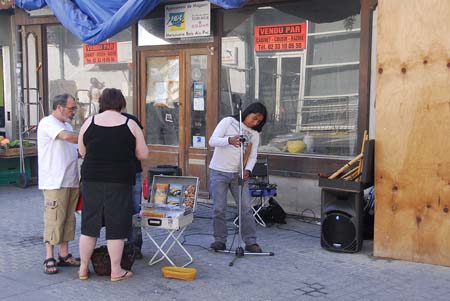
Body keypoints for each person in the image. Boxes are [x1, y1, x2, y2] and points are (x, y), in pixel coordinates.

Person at [77, 88, 148, 281]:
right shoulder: (130, 123)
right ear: (121, 103)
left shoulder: (89, 122)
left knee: (89, 225)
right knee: (116, 226)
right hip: (119, 180)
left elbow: (81, 151)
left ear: (101, 102)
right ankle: (116, 271)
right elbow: (143, 154)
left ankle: (83, 268)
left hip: (91, 179)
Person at [209, 102, 267, 253]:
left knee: (246, 208)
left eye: (258, 121)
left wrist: (248, 170)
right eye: (254, 118)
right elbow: (212, 141)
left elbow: (253, 156)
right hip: (219, 171)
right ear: (248, 113)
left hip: (239, 174)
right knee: (219, 208)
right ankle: (220, 240)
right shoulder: (228, 122)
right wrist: (229, 140)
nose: (255, 123)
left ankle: (250, 241)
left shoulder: (254, 134)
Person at [37, 94, 81, 274]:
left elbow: (74, 149)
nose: (73, 112)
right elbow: (68, 138)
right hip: (54, 181)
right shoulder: (48, 123)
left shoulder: (68, 125)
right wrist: (90, 135)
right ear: (59, 107)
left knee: (68, 219)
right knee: (54, 219)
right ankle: (49, 256)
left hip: (71, 179)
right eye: (71, 108)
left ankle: (64, 254)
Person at [122, 112, 144, 259]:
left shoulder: (131, 119)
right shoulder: (132, 119)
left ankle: (134, 245)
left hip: (129, 171)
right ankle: (130, 246)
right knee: (133, 210)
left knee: (134, 210)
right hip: (127, 171)